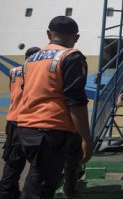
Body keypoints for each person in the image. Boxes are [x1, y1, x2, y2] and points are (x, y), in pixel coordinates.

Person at [16, 16, 92, 199]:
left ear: (49, 34)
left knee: (35, 181)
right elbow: (76, 102)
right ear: (77, 37)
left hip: (25, 129)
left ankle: (70, 184)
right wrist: (86, 139)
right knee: (39, 190)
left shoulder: (30, 60)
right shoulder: (71, 56)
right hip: (51, 132)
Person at [0, 47, 40, 199]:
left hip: (13, 119)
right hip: (30, 121)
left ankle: (8, 192)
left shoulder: (13, 71)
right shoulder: (36, 72)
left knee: (12, 163)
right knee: (37, 164)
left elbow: (14, 92)